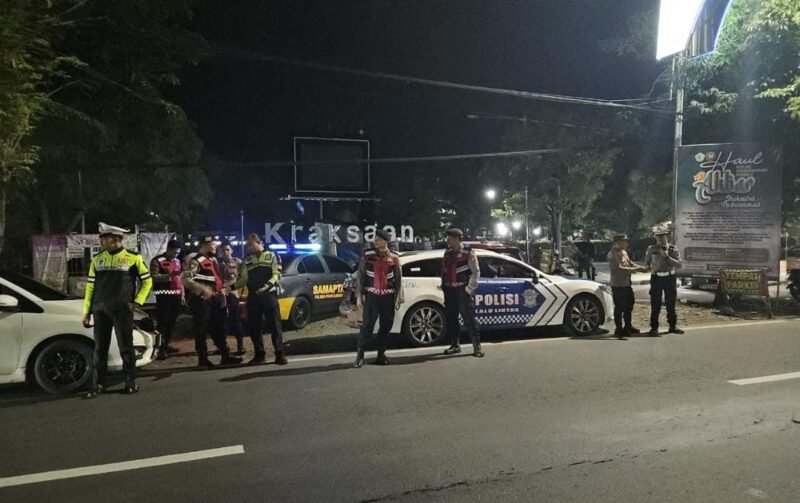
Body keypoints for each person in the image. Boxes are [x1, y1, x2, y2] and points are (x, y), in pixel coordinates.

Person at [82, 223, 152, 398]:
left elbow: (147, 281)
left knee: (126, 347)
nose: (101, 241)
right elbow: (90, 287)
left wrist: (137, 302)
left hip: (122, 309)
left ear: (115, 239)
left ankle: (130, 382)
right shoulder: (97, 259)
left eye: (104, 238)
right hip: (100, 309)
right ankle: (98, 384)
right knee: (100, 349)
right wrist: (86, 312)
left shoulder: (133, 258)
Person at [182, 235, 242, 369]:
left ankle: (225, 355)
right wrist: (202, 289)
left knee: (219, 328)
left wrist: (221, 294)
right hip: (202, 301)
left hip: (216, 299)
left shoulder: (213, 260)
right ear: (205, 245)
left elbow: (217, 279)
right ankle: (203, 360)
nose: (215, 247)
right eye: (213, 245)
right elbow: (185, 279)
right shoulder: (196, 261)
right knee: (202, 330)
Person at [234, 234, 287, 365]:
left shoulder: (273, 255)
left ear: (260, 242)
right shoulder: (247, 259)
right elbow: (243, 279)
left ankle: (280, 354)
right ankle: (259, 354)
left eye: (251, 244)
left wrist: (267, 286)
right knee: (255, 327)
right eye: (248, 245)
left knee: (275, 326)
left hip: (269, 295)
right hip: (254, 296)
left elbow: (277, 274)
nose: (249, 247)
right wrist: (230, 287)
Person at [353, 229, 404, 368]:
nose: (375, 241)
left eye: (378, 239)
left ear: (385, 241)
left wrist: (398, 298)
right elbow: (361, 276)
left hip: (387, 297)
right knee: (367, 327)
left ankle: (381, 355)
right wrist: (359, 296)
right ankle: (359, 356)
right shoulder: (368, 255)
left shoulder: (394, 258)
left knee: (385, 327)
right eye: (375, 239)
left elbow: (398, 279)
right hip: (372, 297)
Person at [440, 228, 483, 357]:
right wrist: (444, 286)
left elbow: (476, 272)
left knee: (469, 320)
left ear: (457, 239)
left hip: (462, 290)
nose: (448, 241)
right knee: (451, 319)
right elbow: (444, 271)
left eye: (450, 239)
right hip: (449, 291)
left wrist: (469, 289)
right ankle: (455, 345)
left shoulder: (468, 253)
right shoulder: (447, 253)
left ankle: (477, 347)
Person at [645, 225, 684, 336]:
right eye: (658, 236)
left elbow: (679, 264)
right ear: (655, 237)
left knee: (670, 303)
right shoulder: (651, 249)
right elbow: (647, 262)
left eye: (663, 236)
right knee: (655, 303)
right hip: (656, 278)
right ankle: (654, 328)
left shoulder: (672, 249)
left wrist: (667, 257)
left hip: (669, 278)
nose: (661, 238)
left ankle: (672, 326)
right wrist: (648, 267)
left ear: (667, 236)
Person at [607, 234, 647, 339]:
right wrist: (635, 270)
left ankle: (628, 326)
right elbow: (619, 268)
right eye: (624, 241)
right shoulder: (612, 254)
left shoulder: (623, 252)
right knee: (619, 307)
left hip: (626, 283)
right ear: (617, 242)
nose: (626, 243)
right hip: (618, 284)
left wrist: (640, 268)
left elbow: (630, 263)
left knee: (629, 305)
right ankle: (619, 329)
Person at [150, 239, 184, 360]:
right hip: (163, 295)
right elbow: (154, 277)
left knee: (172, 322)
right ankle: (160, 348)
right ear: (168, 249)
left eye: (178, 253)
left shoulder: (177, 261)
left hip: (176, 295)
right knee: (162, 322)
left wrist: (182, 294)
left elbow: (180, 280)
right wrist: (169, 276)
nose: (176, 255)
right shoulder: (157, 260)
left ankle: (166, 344)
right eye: (174, 252)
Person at [220, 243, 245, 355]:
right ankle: (222, 346)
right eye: (223, 250)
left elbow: (244, 276)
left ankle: (240, 345)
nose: (225, 252)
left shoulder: (237, 262)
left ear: (231, 251)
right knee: (221, 322)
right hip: (220, 295)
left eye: (227, 250)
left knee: (236, 320)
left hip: (232, 294)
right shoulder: (217, 263)